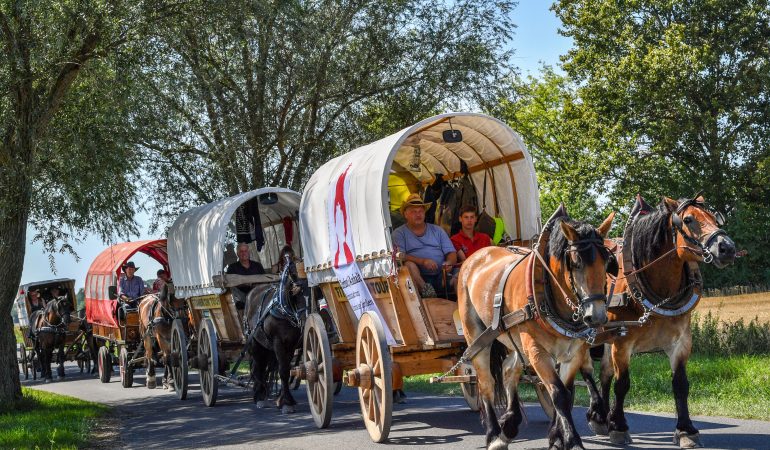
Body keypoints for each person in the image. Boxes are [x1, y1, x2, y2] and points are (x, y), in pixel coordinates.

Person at [392, 193, 457, 298]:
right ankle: (427, 292)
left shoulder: (437, 230)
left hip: (442, 275)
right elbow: (399, 255)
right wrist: (422, 261)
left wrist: (449, 263)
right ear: (405, 214)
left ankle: (463, 306)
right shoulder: (399, 233)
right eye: (414, 212)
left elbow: (451, 253)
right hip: (417, 277)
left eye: (421, 211)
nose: (418, 214)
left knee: (461, 275)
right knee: (409, 265)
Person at [226, 243, 266, 311]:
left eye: (245, 251)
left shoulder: (257, 265)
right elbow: (230, 284)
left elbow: (265, 280)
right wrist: (244, 283)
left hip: (258, 295)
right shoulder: (232, 268)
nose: (244, 253)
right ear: (237, 254)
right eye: (241, 251)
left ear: (249, 252)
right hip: (242, 299)